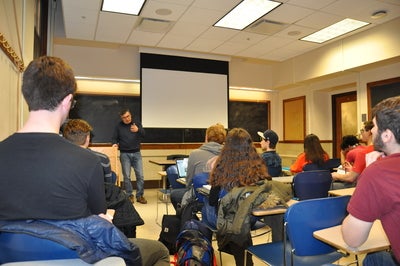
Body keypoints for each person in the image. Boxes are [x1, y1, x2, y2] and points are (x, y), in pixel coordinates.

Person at [0, 56, 169, 265]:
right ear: (67, 101)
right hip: (75, 257)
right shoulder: (86, 161)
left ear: (26, 96)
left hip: (10, 257)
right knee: (159, 250)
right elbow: (98, 217)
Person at [208, 128, 293, 266]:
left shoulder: (221, 165)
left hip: (232, 222)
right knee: (240, 214)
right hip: (253, 216)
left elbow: (212, 200)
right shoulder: (257, 163)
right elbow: (265, 186)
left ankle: (206, 254)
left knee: (209, 207)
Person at [341, 96, 400, 266]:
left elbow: (352, 239)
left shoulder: (378, 173)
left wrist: (370, 172)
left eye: (374, 126)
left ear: (387, 135)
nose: (372, 131)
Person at [170, 123, 226, 210]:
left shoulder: (195, 154)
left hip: (199, 196)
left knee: (174, 194)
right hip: (222, 198)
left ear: (206, 138)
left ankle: (189, 221)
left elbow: (189, 181)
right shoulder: (230, 155)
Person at [112, 109, 147, 204]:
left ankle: (140, 195)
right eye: (124, 117)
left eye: (128, 116)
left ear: (130, 115)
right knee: (126, 176)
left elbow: (144, 134)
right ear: (121, 118)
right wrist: (114, 144)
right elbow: (114, 138)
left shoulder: (137, 123)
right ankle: (129, 195)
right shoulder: (119, 126)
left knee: (140, 176)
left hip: (136, 153)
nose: (126, 119)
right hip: (124, 154)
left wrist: (138, 130)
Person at [63, 119, 113, 183]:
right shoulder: (103, 159)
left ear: (65, 138)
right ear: (88, 138)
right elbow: (107, 186)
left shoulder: (58, 159)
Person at [331, 122, 374, 189]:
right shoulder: (381, 151)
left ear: (369, 132)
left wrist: (336, 175)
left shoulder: (363, 153)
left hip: (360, 187)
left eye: (362, 130)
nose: (361, 133)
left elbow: (350, 177)